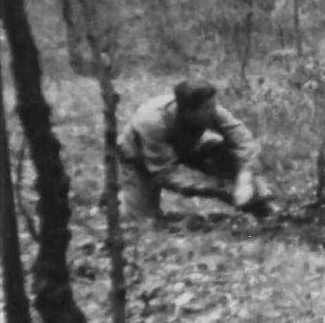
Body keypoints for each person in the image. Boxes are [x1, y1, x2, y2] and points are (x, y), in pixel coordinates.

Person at [116, 79, 273, 220]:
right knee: (141, 220)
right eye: (206, 108)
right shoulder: (152, 123)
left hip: (188, 145)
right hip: (141, 157)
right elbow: (166, 173)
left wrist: (244, 179)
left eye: (213, 105)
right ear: (188, 111)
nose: (213, 112)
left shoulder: (209, 108)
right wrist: (219, 189)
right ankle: (123, 197)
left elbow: (243, 140)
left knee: (224, 151)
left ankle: (260, 205)